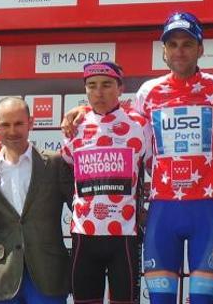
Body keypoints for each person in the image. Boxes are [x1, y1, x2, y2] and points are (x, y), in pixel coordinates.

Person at [62, 11, 213, 304]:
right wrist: (82, 112)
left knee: (202, 299)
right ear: (163, 51)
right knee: (160, 299)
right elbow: (119, 121)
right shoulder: (149, 91)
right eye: (172, 44)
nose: (180, 51)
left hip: (208, 208)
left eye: (187, 43)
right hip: (162, 207)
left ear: (200, 48)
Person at [60, 61, 153, 304]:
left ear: (120, 88)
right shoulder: (75, 125)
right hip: (84, 234)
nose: (98, 92)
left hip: (123, 234)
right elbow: (66, 171)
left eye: (106, 85)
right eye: (92, 86)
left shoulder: (139, 124)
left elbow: (157, 167)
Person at [0, 96, 74, 304]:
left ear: (31, 123)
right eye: (5, 124)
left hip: (49, 275)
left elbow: (79, 209)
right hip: (4, 278)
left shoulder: (55, 164)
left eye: (18, 123)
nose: (12, 131)